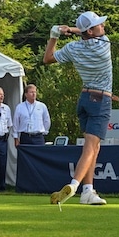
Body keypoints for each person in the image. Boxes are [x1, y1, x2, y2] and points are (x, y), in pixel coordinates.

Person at [43, 11, 111, 205]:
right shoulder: (103, 44)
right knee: (91, 147)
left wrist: (55, 35)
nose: (103, 27)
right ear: (91, 30)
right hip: (101, 99)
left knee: (94, 147)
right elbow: (88, 33)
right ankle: (74, 185)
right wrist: (72, 30)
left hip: (85, 99)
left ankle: (88, 192)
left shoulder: (73, 48)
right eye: (99, 25)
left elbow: (47, 59)